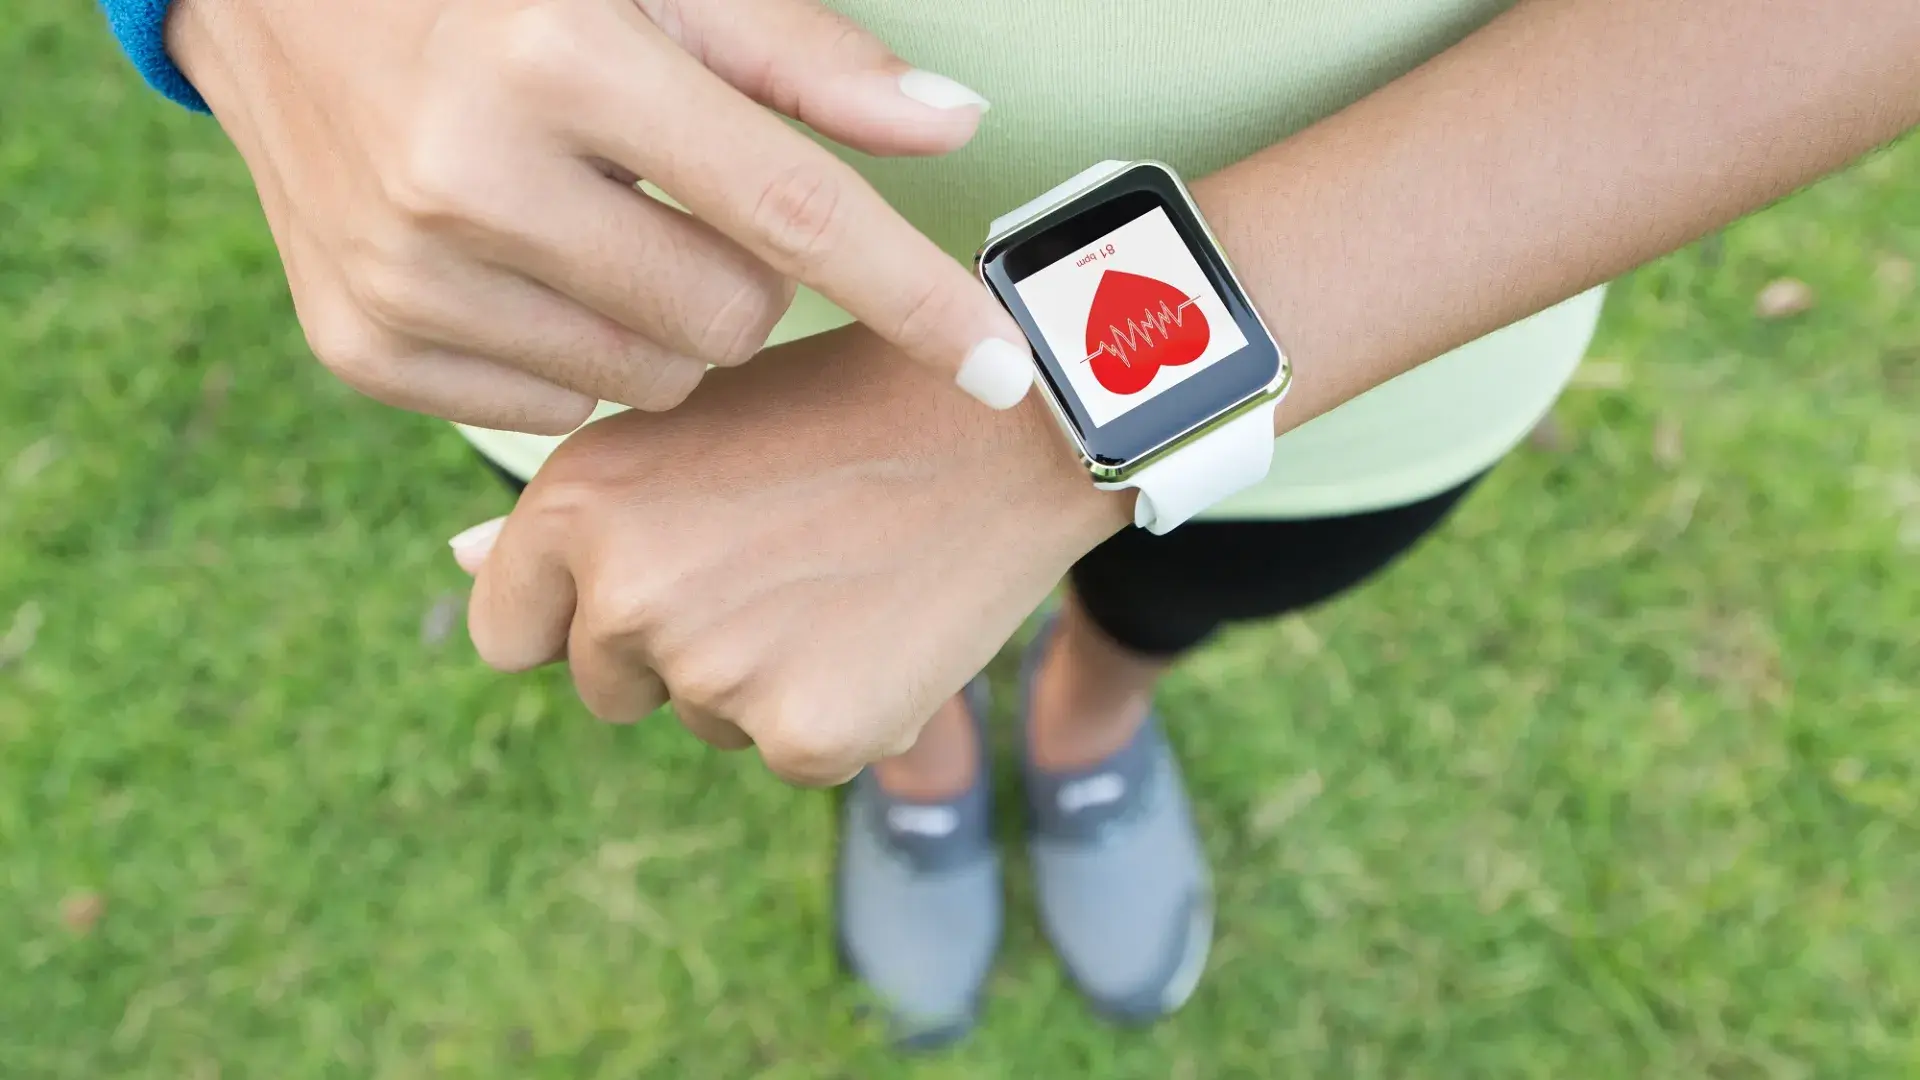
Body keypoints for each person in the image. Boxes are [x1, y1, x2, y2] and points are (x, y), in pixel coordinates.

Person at [104, 0, 1919, 1049]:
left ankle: (1087, 722)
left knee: (1211, 579)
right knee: (814, 676)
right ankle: (915, 770)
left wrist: (1035, 415)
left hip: (1394, 316)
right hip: (595, 294)